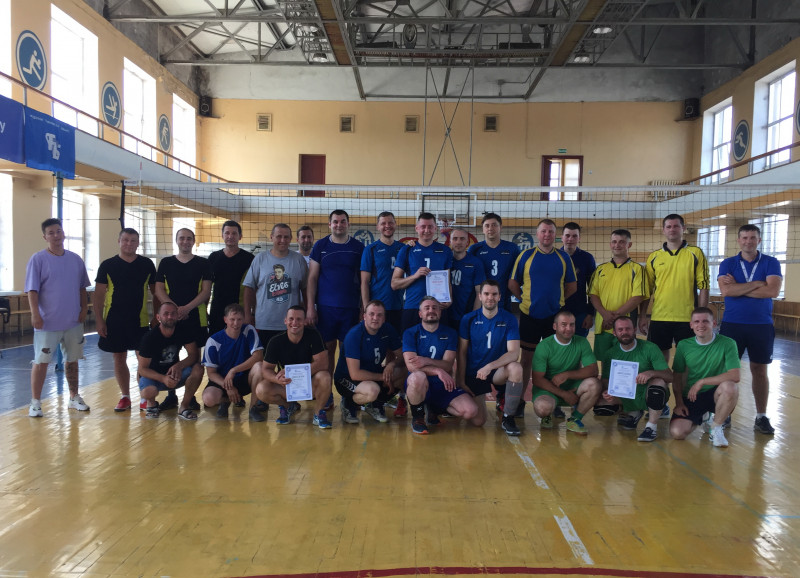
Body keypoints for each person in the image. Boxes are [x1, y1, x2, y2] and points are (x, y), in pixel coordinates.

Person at [718, 224, 782, 435]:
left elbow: (772, 291)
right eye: (744, 238)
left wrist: (738, 287)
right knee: (728, 371)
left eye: (752, 237)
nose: (748, 241)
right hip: (732, 324)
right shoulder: (728, 263)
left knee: (760, 371)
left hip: (761, 326)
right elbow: (726, 290)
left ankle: (761, 416)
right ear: (738, 240)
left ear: (759, 240)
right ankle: (724, 414)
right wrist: (757, 283)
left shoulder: (771, 262)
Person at [509, 219, 577, 415]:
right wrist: (524, 300)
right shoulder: (526, 255)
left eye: (550, 232)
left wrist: (558, 302)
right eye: (543, 231)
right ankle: (519, 401)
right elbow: (513, 283)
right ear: (537, 234)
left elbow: (572, 286)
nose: (547, 235)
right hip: (529, 316)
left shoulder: (563, 257)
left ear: (555, 235)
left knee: (554, 362)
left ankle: (554, 402)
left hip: (554, 318)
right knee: (526, 360)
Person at [26, 218, 91, 417]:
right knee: (41, 361)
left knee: (73, 360)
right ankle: (35, 403)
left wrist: (84, 309)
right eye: (51, 232)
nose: (56, 235)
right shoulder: (38, 259)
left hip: (73, 322)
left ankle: (74, 397)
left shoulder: (75, 259)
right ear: (45, 237)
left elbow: (82, 288)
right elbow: (32, 290)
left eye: (59, 231)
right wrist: (35, 314)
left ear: (63, 233)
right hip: (47, 323)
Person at [93, 228, 157, 412]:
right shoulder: (108, 265)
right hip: (115, 320)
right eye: (126, 240)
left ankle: (144, 397)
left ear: (138, 243)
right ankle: (125, 397)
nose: (129, 243)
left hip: (140, 321)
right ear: (119, 241)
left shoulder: (146, 264)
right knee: (119, 358)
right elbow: (99, 295)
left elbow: (156, 292)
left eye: (133, 240)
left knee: (143, 360)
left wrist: (157, 315)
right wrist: (99, 320)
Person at [588, 229, 648, 415]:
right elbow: (593, 295)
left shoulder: (637, 269)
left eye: (622, 242)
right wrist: (605, 315)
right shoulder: (601, 269)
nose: (617, 245)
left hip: (624, 328)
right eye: (614, 241)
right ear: (610, 244)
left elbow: (638, 296)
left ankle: (625, 402)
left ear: (629, 245)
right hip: (603, 325)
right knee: (606, 364)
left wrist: (614, 317)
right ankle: (608, 400)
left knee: (625, 365)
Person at [154, 228, 211, 411]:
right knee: (170, 356)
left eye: (188, 238)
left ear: (193, 241)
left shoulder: (203, 263)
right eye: (182, 238)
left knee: (195, 359)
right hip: (171, 317)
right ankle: (171, 396)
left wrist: (187, 308)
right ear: (176, 240)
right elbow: (159, 289)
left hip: (195, 316)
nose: (185, 241)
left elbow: (206, 291)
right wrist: (174, 310)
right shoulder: (166, 262)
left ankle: (190, 397)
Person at [404, 296, 480, 434]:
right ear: (420, 314)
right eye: (427, 308)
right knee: (417, 377)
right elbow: (412, 367)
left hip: (443, 384)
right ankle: (418, 417)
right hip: (421, 384)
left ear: (440, 312)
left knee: (470, 411)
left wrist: (426, 360)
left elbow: (448, 364)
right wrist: (438, 371)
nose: (431, 310)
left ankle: (435, 409)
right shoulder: (410, 333)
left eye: (435, 308)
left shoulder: (450, 333)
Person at [639, 214, 709, 362]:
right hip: (659, 317)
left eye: (676, 226)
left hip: (687, 317)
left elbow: (704, 286)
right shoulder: (654, 257)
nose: (672, 229)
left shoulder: (695, 253)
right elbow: (647, 290)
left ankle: (683, 379)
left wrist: (701, 315)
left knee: (688, 359)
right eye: (669, 226)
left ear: (683, 228)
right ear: (663, 230)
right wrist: (643, 315)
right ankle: (662, 379)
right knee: (658, 358)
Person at [457, 280, 524, 435]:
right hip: (475, 372)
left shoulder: (509, 319)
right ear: (480, 296)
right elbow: (462, 353)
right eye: (486, 294)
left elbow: (514, 353)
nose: (490, 298)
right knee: (478, 421)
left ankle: (508, 418)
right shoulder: (468, 319)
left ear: (500, 296)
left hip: (497, 371)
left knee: (516, 368)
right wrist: (460, 380)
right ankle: (474, 398)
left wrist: (490, 366)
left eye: (494, 294)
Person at [306, 210, 365, 378]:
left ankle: (346, 388)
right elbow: (312, 278)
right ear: (329, 224)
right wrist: (310, 308)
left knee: (347, 351)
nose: (339, 225)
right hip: (326, 309)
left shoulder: (358, 247)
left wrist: (363, 308)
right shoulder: (320, 246)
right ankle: (327, 390)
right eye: (336, 221)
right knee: (327, 351)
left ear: (348, 224)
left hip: (350, 308)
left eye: (343, 221)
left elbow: (364, 281)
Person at [670, 307, 740, 448]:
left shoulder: (728, 343)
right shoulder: (684, 345)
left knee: (730, 387)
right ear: (691, 325)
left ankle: (716, 427)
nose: (700, 325)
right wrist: (679, 403)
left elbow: (735, 375)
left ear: (713, 323)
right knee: (677, 433)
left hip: (715, 394)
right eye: (696, 321)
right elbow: (677, 377)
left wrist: (702, 382)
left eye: (705, 321)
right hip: (692, 396)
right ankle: (704, 417)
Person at [255, 305, 333, 428]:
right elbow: (266, 369)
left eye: (299, 319)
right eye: (291, 319)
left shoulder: (314, 335)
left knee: (325, 376)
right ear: (285, 321)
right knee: (261, 389)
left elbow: (323, 363)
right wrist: (276, 379)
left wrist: (293, 371)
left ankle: (318, 413)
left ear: (304, 321)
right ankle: (287, 407)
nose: (294, 323)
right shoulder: (276, 341)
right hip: (287, 384)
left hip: (308, 384)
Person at [600, 316, 673, 442]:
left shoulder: (650, 348)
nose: (624, 332)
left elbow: (670, 376)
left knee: (659, 383)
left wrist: (651, 373)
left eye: (628, 329)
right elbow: (605, 379)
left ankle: (651, 427)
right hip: (625, 395)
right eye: (620, 329)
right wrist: (608, 391)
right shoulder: (610, 354)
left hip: (646, 393)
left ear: (634, 330)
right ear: (614, 332)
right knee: (600, 405)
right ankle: (633, 412)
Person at [530, 310, 602, 435]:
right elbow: (537, 379)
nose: (568, 328)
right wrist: (564, 394)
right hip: (549, 388)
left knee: (594, 384)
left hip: (573, 387)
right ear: (555, 326)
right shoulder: (544, 346)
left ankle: (575, 419)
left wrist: (567, 374)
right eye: (564, 325)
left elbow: (593, 370)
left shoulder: (582, 342)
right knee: (543, 408)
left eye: (572, 325)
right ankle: (547, 415)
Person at [334, 300, 405, 424]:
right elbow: (355, 374)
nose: (375, 318)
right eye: (371, 314)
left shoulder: (387, 329)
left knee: (404, 370)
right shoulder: (355, 335)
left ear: (384, 318)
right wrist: (384, 377)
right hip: (347, 378)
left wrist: (391, 364)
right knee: (372, 391)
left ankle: (376, 405)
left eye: (379, 315)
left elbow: (403, 356)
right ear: (364, 316)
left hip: (373, 374)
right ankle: (348, 403)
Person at [243, 223, 308, 349]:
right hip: (264, 323)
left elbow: (305, 289)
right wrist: (247, 314)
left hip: (291, 324)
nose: (282, 240)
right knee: (264, 359)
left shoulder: (299, 260)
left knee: (290, 359)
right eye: (279, 236)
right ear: (271, 237)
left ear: (291, 238)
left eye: (286, 237)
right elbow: (249, 288)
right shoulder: (260, 259)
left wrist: (307, 312)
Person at [137, 302, 204, 420]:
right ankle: (151, 404)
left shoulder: (183, 330)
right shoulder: (149, 338)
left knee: (198, 368)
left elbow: (194, 355)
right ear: (158, 317)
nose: (170, 316)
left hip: (175, 375)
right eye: (166, 314)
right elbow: (142, 369)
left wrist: (179, 365)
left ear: (177, 315)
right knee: (148, 391)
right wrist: (163, 378)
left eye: (173, 313)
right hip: (155, 377)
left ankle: (184, 406)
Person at [202, 303, 269, 422]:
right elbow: (211, 373)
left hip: (244, 378)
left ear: (243, 319)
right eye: (232, 319)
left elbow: (258, 356)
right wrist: (228, 387)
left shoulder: (248, 330)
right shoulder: (213, 341)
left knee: (259, 367)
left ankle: (253, 408)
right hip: (223, 380)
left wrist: (234, 370)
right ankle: (225, 401)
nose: (236, 323)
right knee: (208, 399)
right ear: (225, 320)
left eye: (239, 319)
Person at [392, 212, 453, 332]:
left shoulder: (445, 251)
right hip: (413, 307)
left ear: (435, 228)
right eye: (423, 227)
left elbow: (447, 281)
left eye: (430, 227)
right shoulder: (407, 250)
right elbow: (394, 284)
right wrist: (415, 276)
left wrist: (449, 299)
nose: (426, 230)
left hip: (436, 308)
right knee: (410, 342)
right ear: (416, 228)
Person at [360, 212, 405, 334]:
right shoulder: (370, 249)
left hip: (399, 306)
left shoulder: (403, 248)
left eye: (390, 223)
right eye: (383, 223)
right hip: (377, 308)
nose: (387, 226)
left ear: (395, 224)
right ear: (378, 227)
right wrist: (366, 309)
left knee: (397, 343)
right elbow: (364, 282)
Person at [207, 220, 254, 336]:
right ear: (222, 235)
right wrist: (205, 310)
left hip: (239, 312)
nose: (230, 236)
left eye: (234, 233)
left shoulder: (249, 259)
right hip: (217, 311)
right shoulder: (213, 257)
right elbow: (207, 287)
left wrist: (251, 313)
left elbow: (253, 289)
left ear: (240, 236)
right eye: (227, 233)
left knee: (239, 343)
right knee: (217, 342)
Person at [467, 212, 520, 311]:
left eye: (494, 225)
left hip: (504, 302)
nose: (490, 228)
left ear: (501, 227)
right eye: (487, 226)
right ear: (483, 229)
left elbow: (517, 275)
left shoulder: (512, 248)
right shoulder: (474, 249)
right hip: (481, 302)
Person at [560, 222, 596, 338]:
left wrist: (590, 314)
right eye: (567, 235)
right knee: (559, 345)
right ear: (562, 237)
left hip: (580, 312)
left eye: (574, 236)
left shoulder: (587, 258)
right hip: (557, 311)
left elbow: (593, 288)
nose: (570, 239)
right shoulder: (554, 256)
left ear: (579, 238)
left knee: (579, 345)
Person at [448, 227, 485, 330]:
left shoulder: (476, 263)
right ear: (450, 241)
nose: (458, 242)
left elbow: (479, 293)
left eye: (462, 238)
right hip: (445, 314)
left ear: (468, 242)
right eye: (455, 238)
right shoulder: (444, 260)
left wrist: (474, 316)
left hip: (466, 314)